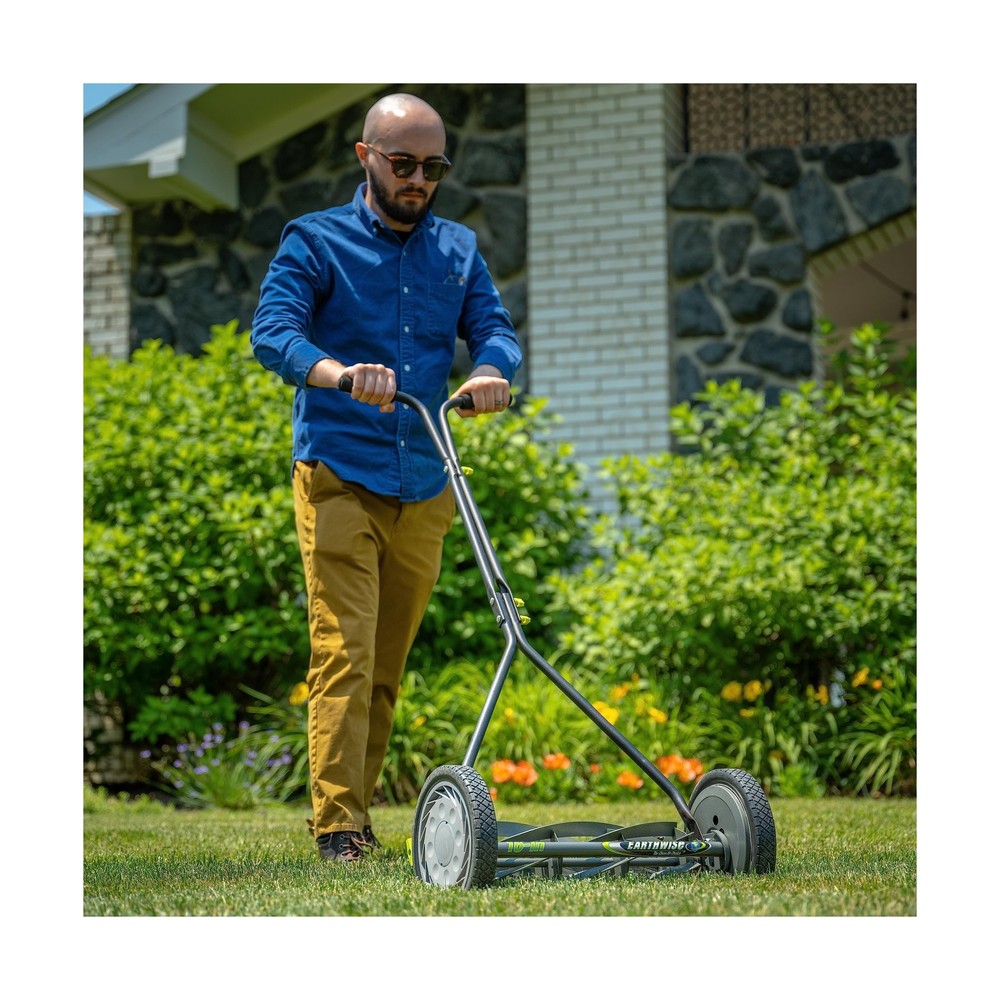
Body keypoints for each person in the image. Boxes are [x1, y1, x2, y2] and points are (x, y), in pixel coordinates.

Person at [251, 93, 522, 862]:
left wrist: (491, 371)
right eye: (403, 164)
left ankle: (359, 818)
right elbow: (273, 333)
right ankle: (338, 826)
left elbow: (493, 329)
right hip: (339, 472)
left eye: (434, 167)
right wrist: (338, 373)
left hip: (425, 483)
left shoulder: (457, 249)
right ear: (366, 157)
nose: (419, 180)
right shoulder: (315, 240)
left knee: (386, 666)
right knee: (346, 651)